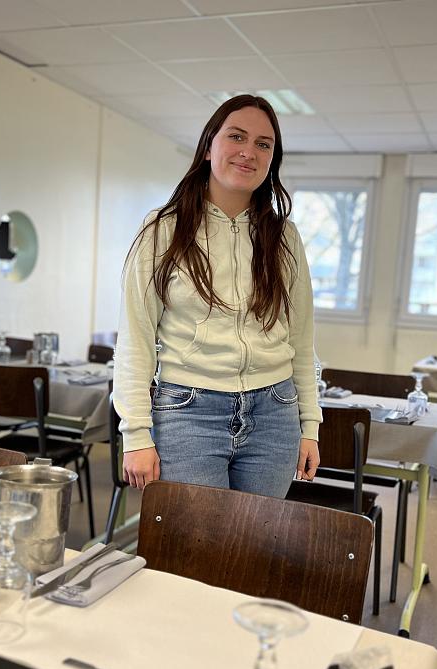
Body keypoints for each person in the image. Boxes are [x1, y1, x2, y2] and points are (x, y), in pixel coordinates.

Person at [113, 94, 321, 497]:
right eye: (237, 137)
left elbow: (301, 339)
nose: (249, 152)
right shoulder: (162, 230)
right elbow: (136, 339)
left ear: (272, 160)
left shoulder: (285, 238)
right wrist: (136, 433)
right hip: (188, 412)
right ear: (209, 147)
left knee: (257, 546)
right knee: (195, 550)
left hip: (275, 411)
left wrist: (309, 425)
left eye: (264, 144)